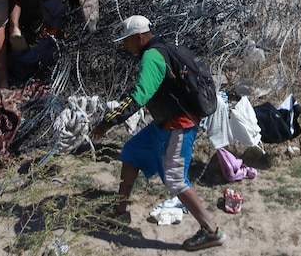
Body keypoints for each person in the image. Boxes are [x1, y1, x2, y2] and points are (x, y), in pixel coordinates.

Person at [90, 15, 225, 252]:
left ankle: (211, 231)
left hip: (179, 124)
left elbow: (139, 97)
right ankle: (119, 210)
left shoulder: (152, 57)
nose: (125, 46)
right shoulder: (164, 48)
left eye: (127, 41)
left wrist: (108, 122)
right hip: (165, 123)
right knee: (132, 152)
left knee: (175, 179)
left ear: (139, 37)